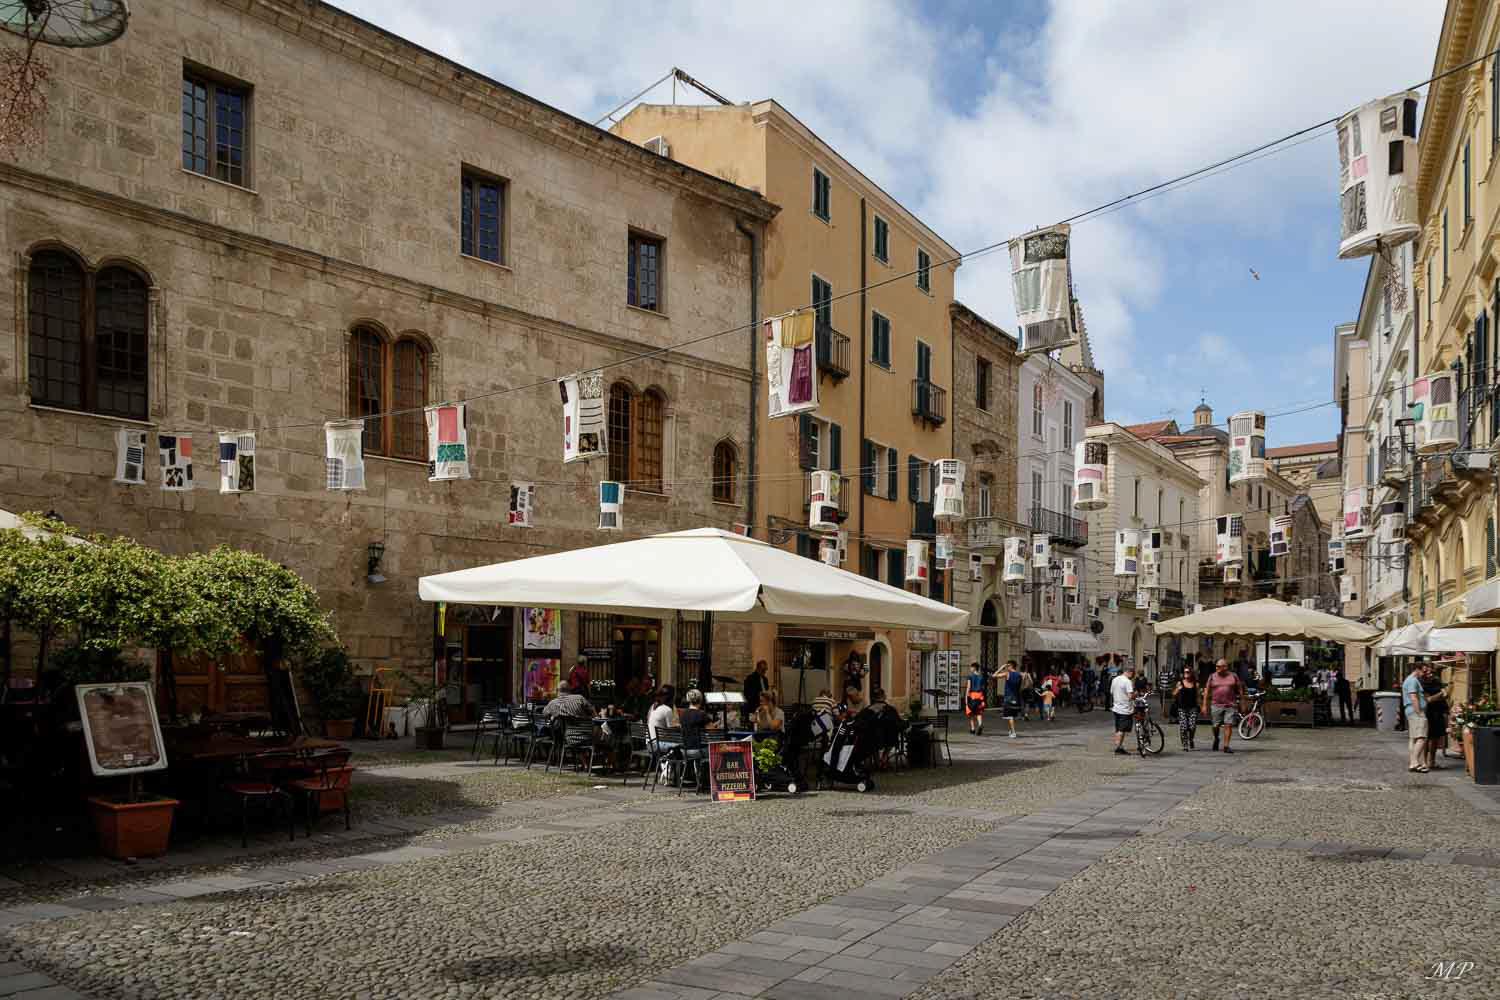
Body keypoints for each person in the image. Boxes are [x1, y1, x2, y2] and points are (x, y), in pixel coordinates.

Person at [1203, 658, 1244, 753]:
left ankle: (1226, 746)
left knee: (1228, 725)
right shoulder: (1212, 676)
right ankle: (1216, 738)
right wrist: (1204, 705)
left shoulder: (1233, 676)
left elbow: (1240, 689)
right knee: (1215, 726)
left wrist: (1243, 703)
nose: (1216, 668)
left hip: (1230, 705)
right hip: (1216, 705)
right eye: (1216, 666)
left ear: (1225, 667)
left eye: (1218, 666)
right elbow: (1206, 690)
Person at [1403, 663, 1429, 773]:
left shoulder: (1409, 680)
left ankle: (1415, 762)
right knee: (1421, 737)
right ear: (1417, 670)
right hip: (1415, 711)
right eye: (1424, 671)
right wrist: (1419, 712)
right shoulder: (1413, 680)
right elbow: (1413, 697)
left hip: (1411, 711)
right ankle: (1414, 763)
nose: (1425, 673)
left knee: (1413, 738)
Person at [1423, 664, 1449, 771]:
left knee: (1435, 738)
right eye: (1428, 672)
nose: (1431, 674)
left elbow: (1446, 694)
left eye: (1432, 672)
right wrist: (1440, 694)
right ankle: (1424, 762)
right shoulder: (1422, 683)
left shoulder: (1437, 681)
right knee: (1426, 738)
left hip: (1438, 712)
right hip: (1427, 712)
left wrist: (1442, 694)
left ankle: (1432, 762)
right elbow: (1427, 700)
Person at [1110, 665, 1137, 755]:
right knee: (1122, 730)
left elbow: (1111, 692)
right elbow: (1130, 696)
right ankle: (1118, 748)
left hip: (1116, 708)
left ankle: (1120, 746)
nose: (1133, 676)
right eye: (1133, 674)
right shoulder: (1127, 681)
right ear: (1129, 672)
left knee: (1118, 728)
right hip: (1125, 709)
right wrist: (1135, 694)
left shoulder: (1115, 679)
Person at [1172, 670, 1200, 751]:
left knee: (1192, 726)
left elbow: (1198, 696)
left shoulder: (1196, 684)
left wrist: (1201, 706)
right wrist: (1178, 689)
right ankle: (1185, 744)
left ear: (1191, 673)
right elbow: (1173, 694)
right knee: (1183, 727)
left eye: (1188, 672)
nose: (1186, 673)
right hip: (1182, 708)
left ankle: (1191, 739)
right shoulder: (1180, 683)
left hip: (1193, 708)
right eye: (1184, 672)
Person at [999, 660, 1023, 738]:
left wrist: (1001, 668)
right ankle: (1011, 730)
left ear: (1011, 666)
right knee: (1013, 715)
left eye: (1007, 666)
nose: (1006, 667)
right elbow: (1021, 686)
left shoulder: (1007, 674)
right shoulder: (1020, 675)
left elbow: (994, 675)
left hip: (1008, 697)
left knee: (1010, 716)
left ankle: (1013, 732)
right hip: (1016, 697)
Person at [743, 660, 771, 727]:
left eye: (766, 670)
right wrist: (759, 694)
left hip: (764, 706)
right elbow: (747, 694)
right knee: (754, 725)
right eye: (763, 670)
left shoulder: (765, 679)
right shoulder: (750, 678)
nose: (765, 672)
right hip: (753, 706)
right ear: (758, 668)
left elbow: (766, 691)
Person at [965, 662, 987, 735]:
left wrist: (966, 697)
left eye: (971, 667)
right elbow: (983, 688)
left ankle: (972, 729)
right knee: (978, 712)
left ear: (974, 668)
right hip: (980, 696)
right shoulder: (981, 677)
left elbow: (968, 687)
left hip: (972, 696)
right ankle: (980, 724)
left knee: (970, 713)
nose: (970, 668)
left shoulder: (970, 676)